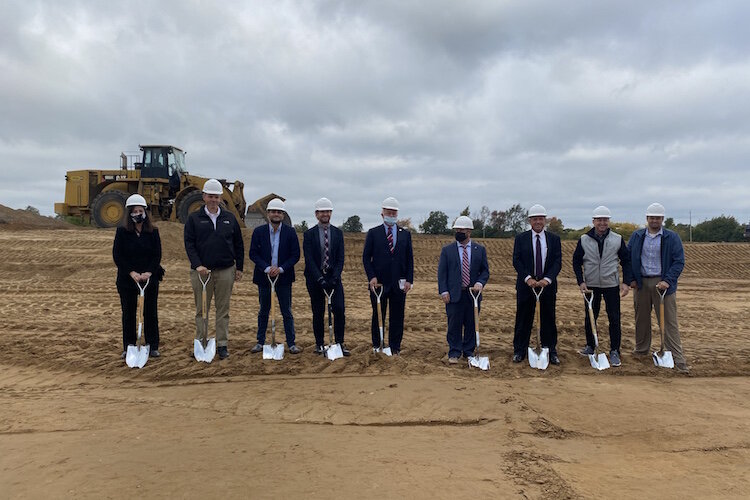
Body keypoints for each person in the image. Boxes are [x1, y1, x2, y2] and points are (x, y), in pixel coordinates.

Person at [184, 179, 244, 360]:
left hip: (226, 270)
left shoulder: (230, 218)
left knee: (223, 310)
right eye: (210, 196)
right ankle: (202, 341)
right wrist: (197, 265)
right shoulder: (194, 219)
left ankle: (222, 344)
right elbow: (189, 244)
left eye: (216, 197)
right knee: (202, 310)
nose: (213, 200)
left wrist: (239, 267)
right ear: (204, 197)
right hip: (201, 272)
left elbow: (238, 244)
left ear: (220, 198)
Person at [627, 203, 689, 373]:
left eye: (658, 218)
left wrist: (667, 281)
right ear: (647, 219)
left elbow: (679, 261)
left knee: (669, 322)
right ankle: (641, 351)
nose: (655, 221)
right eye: (652, 218)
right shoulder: (637, 236)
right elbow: (628, 258)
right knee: (641, 320)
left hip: (663, 285)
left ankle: (677, 357)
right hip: (641, 284)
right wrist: (631, 279)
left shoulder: (671, 237)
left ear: (662, 219)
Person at [572, 206, 632, 367]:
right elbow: (576, 261)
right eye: (599, 220)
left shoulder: (617, 239)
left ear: (608, 221)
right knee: (591, 317)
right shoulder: (584, 239)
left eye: (605, 220)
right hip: (591, 285)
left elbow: (626, 261)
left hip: (611, 284)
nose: (602, 223)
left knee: (614, 318)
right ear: (594, 221)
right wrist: (581, 281)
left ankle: (615, 351)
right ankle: (591, 346)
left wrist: (626, 282)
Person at [113, 194, 164, 359]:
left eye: (140, 210)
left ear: (145, 212)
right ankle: (128, 346)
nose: (138, 213)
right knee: (128, 313)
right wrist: (132, 272)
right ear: (129, 213)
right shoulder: (122, 232)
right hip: (128, 279)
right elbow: (118, 255)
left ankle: (152, 345)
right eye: (134, 211)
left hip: (149, 279)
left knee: (150, 312)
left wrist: (149, 272)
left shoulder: (153, 232)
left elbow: (157, 255)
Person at [249, 198, 302, 354]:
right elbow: (253, 253)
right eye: (273, 211)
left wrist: (280, 269)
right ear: (268, 214)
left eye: (279, 212)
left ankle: (291, 343)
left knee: (286, 311)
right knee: (263, 310)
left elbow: (295, 255)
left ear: (283, 215)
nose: (276, 214)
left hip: (283, 278)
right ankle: (260, 342)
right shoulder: (258, 232)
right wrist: (266, 268)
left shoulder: (290, 232)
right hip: (264, 277)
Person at [362, 197, 414, 355]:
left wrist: (409, 280)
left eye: (394, 212)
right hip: (379, 283)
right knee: (378, 314)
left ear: (397, 214)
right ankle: (377, 345)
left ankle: (395, 347)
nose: (391, 214)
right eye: (388, 212)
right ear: (382, 214)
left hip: (399, 282)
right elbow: (366, 257)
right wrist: (372, 276)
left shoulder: (405, 234)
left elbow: (409, 259)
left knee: (397, 316)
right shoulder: (373, 233)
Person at [512, 204, 562, 365]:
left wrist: (547, 279)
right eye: (535, 219)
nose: (538, 222)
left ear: (545, 220)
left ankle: (550, 351)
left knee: (548, 319)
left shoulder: (554, 239)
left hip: (547, 287)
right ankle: (519, 350)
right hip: (526, 287)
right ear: (530, 221)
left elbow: (557, 262)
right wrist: (528, 278)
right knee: (523, 319)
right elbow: (517, 260)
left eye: (541, 218)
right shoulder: (521, 238)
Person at [437, 216, 490, 363]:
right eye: (456, 230)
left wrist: (480, 282)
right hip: (454, 294)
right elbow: (442, 273)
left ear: (469, 231)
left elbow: (485, 271)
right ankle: (454, 352)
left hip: (472, 294)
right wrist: (444, 291)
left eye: (461, 230)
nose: (458, 232)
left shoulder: (479, 250)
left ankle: (468, 352)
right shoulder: (447, 250)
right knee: (454, 324)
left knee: (471, 324)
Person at [303, 198, 349, 356]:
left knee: (339, 309)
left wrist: (334, 277)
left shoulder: (337, 233)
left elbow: (340, 258)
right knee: (318, 311)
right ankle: (319, 343)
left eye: (328, 211)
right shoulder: (309, 234)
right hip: (315, 278)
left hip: (333, 277)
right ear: (316, 214)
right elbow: (309, 259)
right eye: (322, 212)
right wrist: (319, 278)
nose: (325, 214)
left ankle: (339, 342)